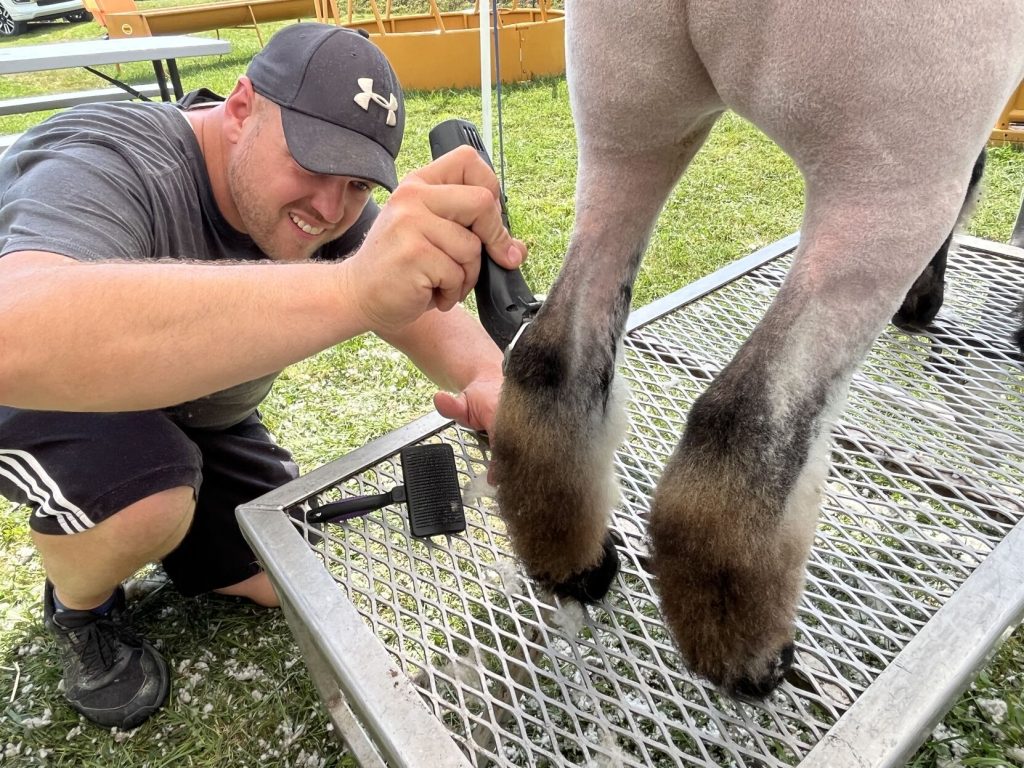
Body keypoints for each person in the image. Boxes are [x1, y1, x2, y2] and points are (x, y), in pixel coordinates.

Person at [0, 22, 524, 730]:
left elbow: (407, 302)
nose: (330, 209)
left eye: (357, 184)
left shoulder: (326, 202)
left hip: (202, 409)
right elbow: (15, 333)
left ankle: (179, 521)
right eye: (312, 164)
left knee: (281, 571)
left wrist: (488, 376)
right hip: (46, 389)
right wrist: (349, 293)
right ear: (242, 106)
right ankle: (81, 606)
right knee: (147, 499)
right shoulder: (106, 157)